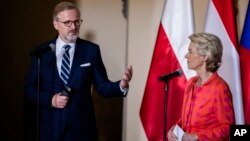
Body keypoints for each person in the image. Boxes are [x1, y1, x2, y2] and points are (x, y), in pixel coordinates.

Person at [24, 1, 133, 141]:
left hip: (82, 129)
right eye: (67, 22)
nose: (73, 27)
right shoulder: (42, 52)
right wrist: (51, 100)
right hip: (50, 128)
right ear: (55, 24)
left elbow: (102, 86)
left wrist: (121, 85)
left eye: (77, 22)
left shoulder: (91, 50)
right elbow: (29, 90)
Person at [167, 33, 235, 141]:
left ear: (205, 56)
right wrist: (176, 127)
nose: (186, 56)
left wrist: (197, 136)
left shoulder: (219, 88)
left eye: (190, 51)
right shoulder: (191, 83)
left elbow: (228, 128)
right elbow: (187, 119)